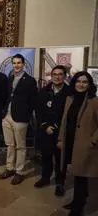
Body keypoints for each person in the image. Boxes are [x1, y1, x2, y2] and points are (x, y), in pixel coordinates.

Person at [57, 71, 98, 216]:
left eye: (84, 82)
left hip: (84, 144)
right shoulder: (70, 98)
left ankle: (78, 207)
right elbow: (64, 120)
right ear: (74, 83)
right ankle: (78, 200)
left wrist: (93, 140)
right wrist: (61, 138)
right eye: (78, 82)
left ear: (89, 84)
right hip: (70, 142)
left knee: (81, 175)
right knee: (75, 173)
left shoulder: (94, 101)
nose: (81, 85)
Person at [0, 54, 38, 185]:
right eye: (14, 63)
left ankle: (19, 171)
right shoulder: (9, 78)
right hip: (7, 116)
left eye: (19, 63)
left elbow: (33, 101)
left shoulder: (30, 80)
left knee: (20, 146)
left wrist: (27, 116)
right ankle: (10, 168)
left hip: (20, 118)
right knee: (9, 145)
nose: (16, 65)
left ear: (23, 64)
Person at [34, 65, 69, 196]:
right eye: (54, 74)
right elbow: (39, 111)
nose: (57, 77)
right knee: (46, 156)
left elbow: (70, 114)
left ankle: (60, 183)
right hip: (45, 130)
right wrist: (45, 126)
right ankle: (45, 178)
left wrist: (58, 128)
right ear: (51, 76)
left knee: (61, 159)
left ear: (64, 76)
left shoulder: (70, 92)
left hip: (61, 132)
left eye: (60, 74)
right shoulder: (43, 91)